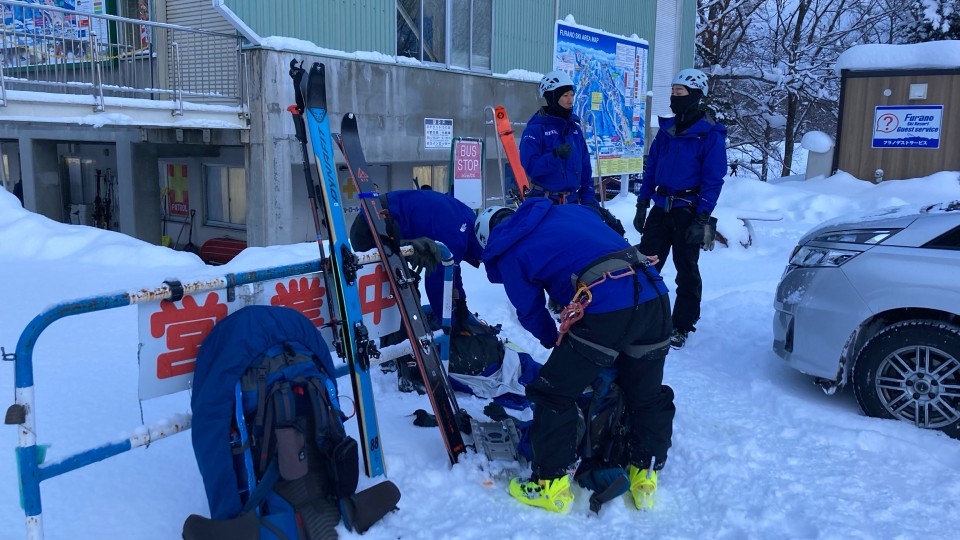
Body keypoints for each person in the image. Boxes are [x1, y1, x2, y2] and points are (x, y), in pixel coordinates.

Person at [476, 198, 675, 514]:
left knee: (553, 393)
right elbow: (606, 229)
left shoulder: (509, 248)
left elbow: (530, 311)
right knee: (645, 393)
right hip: (655, 294)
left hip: (608, 303)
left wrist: (555, 344)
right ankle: (644, 472)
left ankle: (550, 485)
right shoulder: (563, 210)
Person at [634, 68, 727, 349]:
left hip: (688, 210)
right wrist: (642, 201)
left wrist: (702, 216)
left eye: (680, 92)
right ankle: (640, 317)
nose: (674, 97)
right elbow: (652, 168)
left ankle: (682, 325)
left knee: (686, 269)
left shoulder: (709, 135)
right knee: (646, 264)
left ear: (696, 96)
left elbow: (713, 179)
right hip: (661, 207)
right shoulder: (667, 131)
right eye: (673, 91)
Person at [350, 189, 483, 331]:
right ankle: (398, 340)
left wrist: (461, 304)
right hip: (371, 227)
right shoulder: (457, 235)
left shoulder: (468, 223)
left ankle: (401, 331)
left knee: (407, 284)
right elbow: (437, 281)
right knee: (406, 290)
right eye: (482, 261)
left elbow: (452, 269)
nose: (480, 263)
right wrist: (448, 325)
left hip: (381, 217)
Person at [519, 70, 596, 205]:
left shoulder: (574, 130)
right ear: (552, 98)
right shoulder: (536, 129)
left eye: (572, 95)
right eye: (565, 95)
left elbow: (585, 169)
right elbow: (531, 167)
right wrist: (555, 156)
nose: (570, 100)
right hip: (545, 204)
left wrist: (589, 201)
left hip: (573, 203)